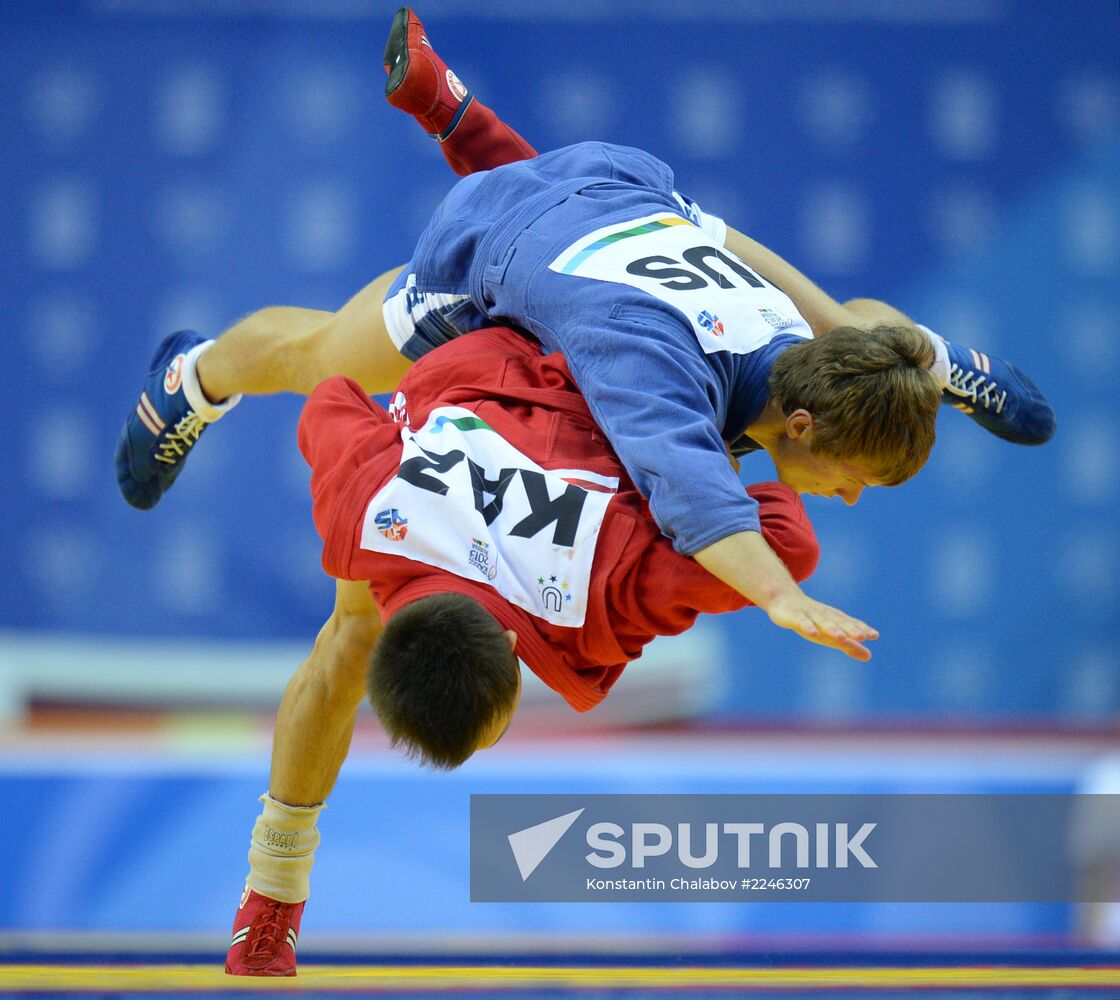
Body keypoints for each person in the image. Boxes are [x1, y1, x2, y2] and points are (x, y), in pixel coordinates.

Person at [223, 323, 820, 976]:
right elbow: (330, 402)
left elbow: (788, 539)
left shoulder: (599, 603)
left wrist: (703, 474)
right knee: (353, 601)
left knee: (349, 623)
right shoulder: (356, 498)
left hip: (622, 336)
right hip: (490, 325)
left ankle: (273, 889)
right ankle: (201, 375)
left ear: (512, 647)